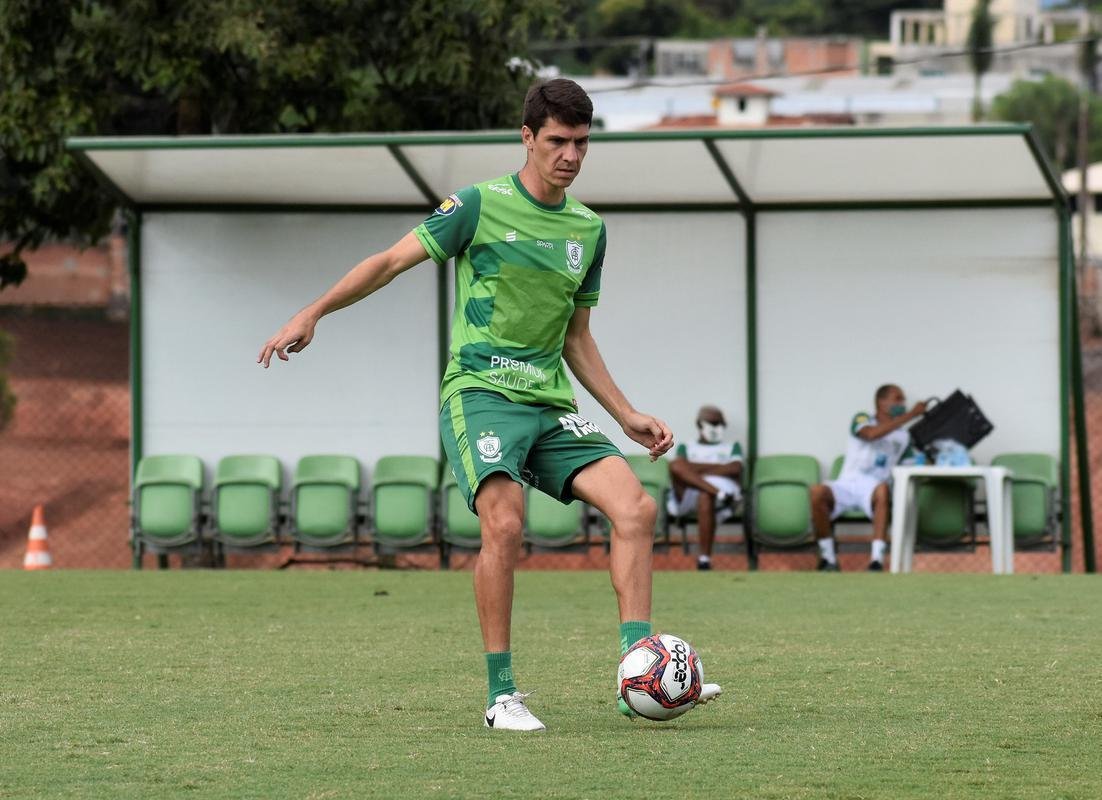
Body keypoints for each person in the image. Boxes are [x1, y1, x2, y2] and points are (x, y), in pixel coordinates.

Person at [258, 79, 720, 731]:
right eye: (557, 141)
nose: (570, 155)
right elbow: (391, 261)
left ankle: (636, 670)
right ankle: (501, 696)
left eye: (581, 144)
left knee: (636, 508)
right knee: (504, 524)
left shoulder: (589, 230)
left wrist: (625, 413)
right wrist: (314, 313)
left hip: (550, 403)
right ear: (527, 138)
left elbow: (576, 338)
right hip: (481, 394)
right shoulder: (476, 206)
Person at [808, 384, 926, 572]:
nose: (902, 403)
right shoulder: (862, 419)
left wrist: (932, 458)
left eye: (903, 400)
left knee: (882, 489)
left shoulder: (904, 437)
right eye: (897, 399)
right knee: (816, 492)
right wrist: (911, 415)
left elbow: (910, 467)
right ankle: (828, 558)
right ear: (881, 401)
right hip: (847, 484)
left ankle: (876, 560)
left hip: (874, 489)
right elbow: (870, 434)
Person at [668, 405, 743, 570]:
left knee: (705, 495)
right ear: (700, 424)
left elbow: (735, 468)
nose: (718, 427)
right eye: (713, 422)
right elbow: (679, 468)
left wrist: (694, 468)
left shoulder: (732, 446)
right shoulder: (685, 447)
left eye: (721, 423)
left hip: (715, 497)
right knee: (676, 466)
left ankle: (704, 560)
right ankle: (719, 493)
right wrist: (719, 466)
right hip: (688, 493)